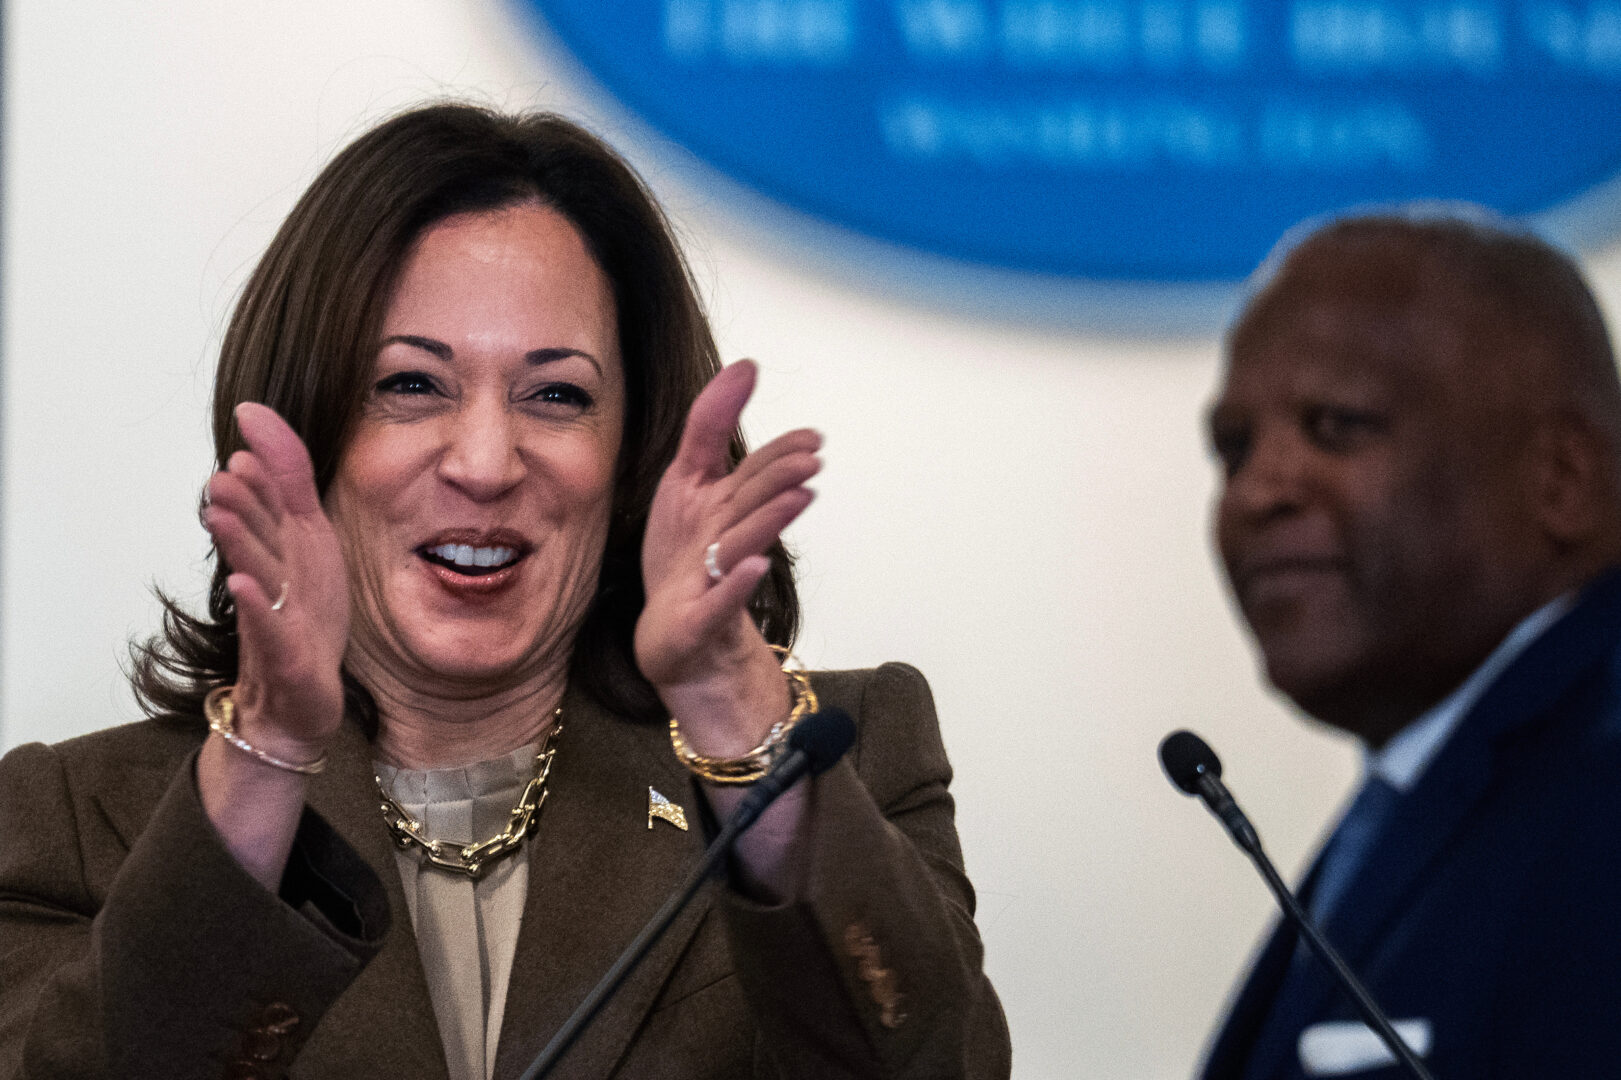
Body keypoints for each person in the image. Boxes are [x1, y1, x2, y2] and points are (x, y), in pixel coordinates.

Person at [0, 104, 1009, 1080]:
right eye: (411, 384)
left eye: (557, 395)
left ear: (634, 459)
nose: (485, 462)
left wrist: (728, 707)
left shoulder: (841, 760)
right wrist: (267, 755)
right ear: (305, 431)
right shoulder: (73, 823)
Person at [1198, 207, 1621, 1079]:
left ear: (1562, 478)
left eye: (1337, 425)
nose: (1256, 491)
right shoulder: (1427, 781)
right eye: (1233, 448)